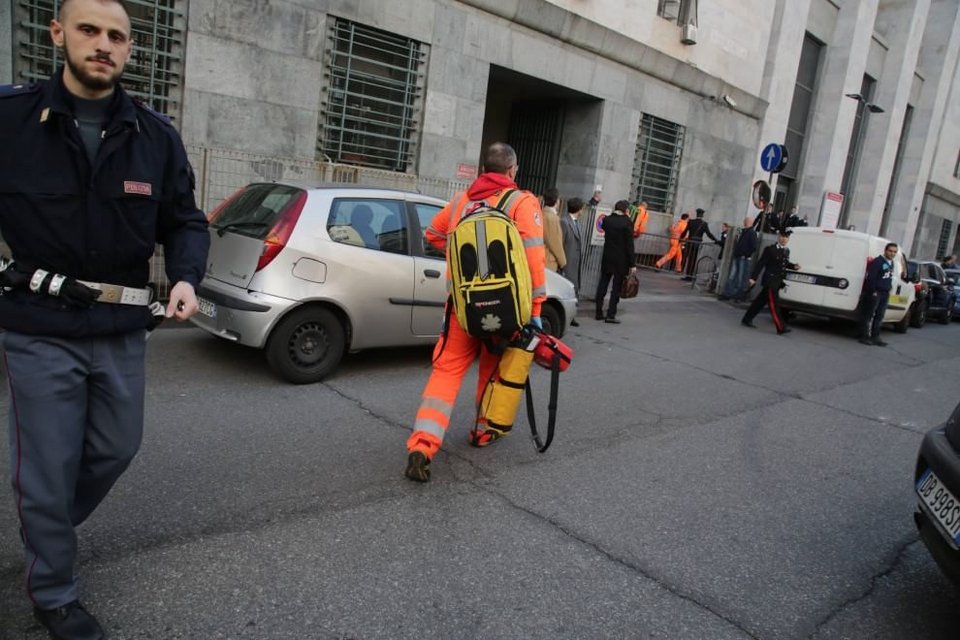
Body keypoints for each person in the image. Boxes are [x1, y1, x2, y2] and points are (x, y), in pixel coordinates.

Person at [0, 1, 210, 638]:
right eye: (89, 30)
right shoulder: (10, 118)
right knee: (46, 465)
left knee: (118, 447)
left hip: (120, 327)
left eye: (117, 36)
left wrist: (185, 276)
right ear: (58, 33)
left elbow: (185, 220)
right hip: (37, 324)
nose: (103, 45)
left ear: (129, 49)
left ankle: (47, 528)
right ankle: (54, 593)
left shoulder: (155, 135)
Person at [405, 142, 545, 482]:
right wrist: (536, 310)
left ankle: (422, 446)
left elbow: (433, 234)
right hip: (507, 309)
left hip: (462, 308)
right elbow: (534, 261)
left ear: (484, 170)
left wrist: (459, 260)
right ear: (512, 171)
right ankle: (483, 430)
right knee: (492, 369)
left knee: (446, 373)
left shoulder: (461, 201)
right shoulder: (523, 203)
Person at [741, 230, 800, 335]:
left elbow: (784, 264)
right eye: (782, 236)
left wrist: (793, 266)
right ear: (778, 237)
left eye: (786, 237)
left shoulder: (786, 251)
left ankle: (747, 318)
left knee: (760, 302)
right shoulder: (770, 249)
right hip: (770, 281)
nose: (784, 239)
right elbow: (761, 263)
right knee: (774, 304)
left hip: (777, 282)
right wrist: (753, 277)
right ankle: (780, 327)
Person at [595, 200, 636, 324]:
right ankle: (611, 314)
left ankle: (598, 312)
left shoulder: (607, 220)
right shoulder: (627, 222)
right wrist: (632, 264)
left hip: (607, 257)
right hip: (621, 260)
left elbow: (604, 227)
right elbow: (629, 245)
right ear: (626, 210)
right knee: (616, 288)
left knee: (603, 284)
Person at [859, 243, 898, 346]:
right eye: (890, 251)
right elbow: (871, 277)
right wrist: (873, 291)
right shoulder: (878, 261)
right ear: (885, 250)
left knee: (880, 316)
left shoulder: (891, 263)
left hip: (885, 293)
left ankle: (875, 337)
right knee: (869, 315)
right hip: (876, 292)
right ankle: (865, 336)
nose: (892, 253)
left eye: (894, 252)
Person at [719, 216, 759, 302]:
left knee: (740, 278)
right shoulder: (744, 231)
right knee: (732, 276)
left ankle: (738, 296)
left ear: (749, 222)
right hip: (738, 256)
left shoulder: (751, 233)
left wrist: (746, 254)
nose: (744, 222)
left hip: (743, 258)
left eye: (746, 221)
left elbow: (754, 247)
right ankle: (728, 294)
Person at [560, 197, 583, 327]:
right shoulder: (564, 222)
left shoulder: (575, 222)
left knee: (574, 288)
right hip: (567, 261)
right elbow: (561, 242)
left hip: (575, 260)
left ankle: (572, 315)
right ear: (578, 209)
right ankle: (569, 315)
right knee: (569, 289)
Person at [680, 208, 719, 280]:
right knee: (694, 259)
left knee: (687, 258)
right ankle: (690, 276)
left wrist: (680, 239)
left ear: (696, 214)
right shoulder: (704, 224)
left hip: (690, 242)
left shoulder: (691, 222)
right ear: (702, 215)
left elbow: (685, 232)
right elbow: (709, 234)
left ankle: (686, 274)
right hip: (697, 244)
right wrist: (716, 240)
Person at [541, 188, 566, 273]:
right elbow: (555, 243)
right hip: (549, 261)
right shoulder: (552, 218)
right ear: (557, 200)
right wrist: (563, 262)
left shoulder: (542, 213)